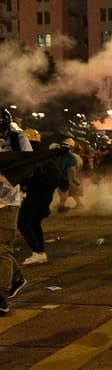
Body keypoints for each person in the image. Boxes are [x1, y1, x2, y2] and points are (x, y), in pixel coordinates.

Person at [0, 108, 31, 315]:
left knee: (1, 248)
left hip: (7, 202)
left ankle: (0, 296)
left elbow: (28, 166)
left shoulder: (19, 140)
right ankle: (16, 276)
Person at [18, 129, 59, 265]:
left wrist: (28, 186)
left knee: (23, 223)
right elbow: (57, 179)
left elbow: (30, 178)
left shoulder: (33, 158)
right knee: (34, 223)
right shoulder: (44, 158)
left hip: (36, 196)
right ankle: (40, 252)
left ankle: (37, 252)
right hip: (43, 196)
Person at [55, 137, 82, 212]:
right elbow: (72, 170)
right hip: (64, 177)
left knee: (67, 191)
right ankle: (61, 206)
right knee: (65, 191)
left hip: (58, 177)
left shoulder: (56, 154)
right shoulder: (70, 157)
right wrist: (75, 180)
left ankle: (78, 203)